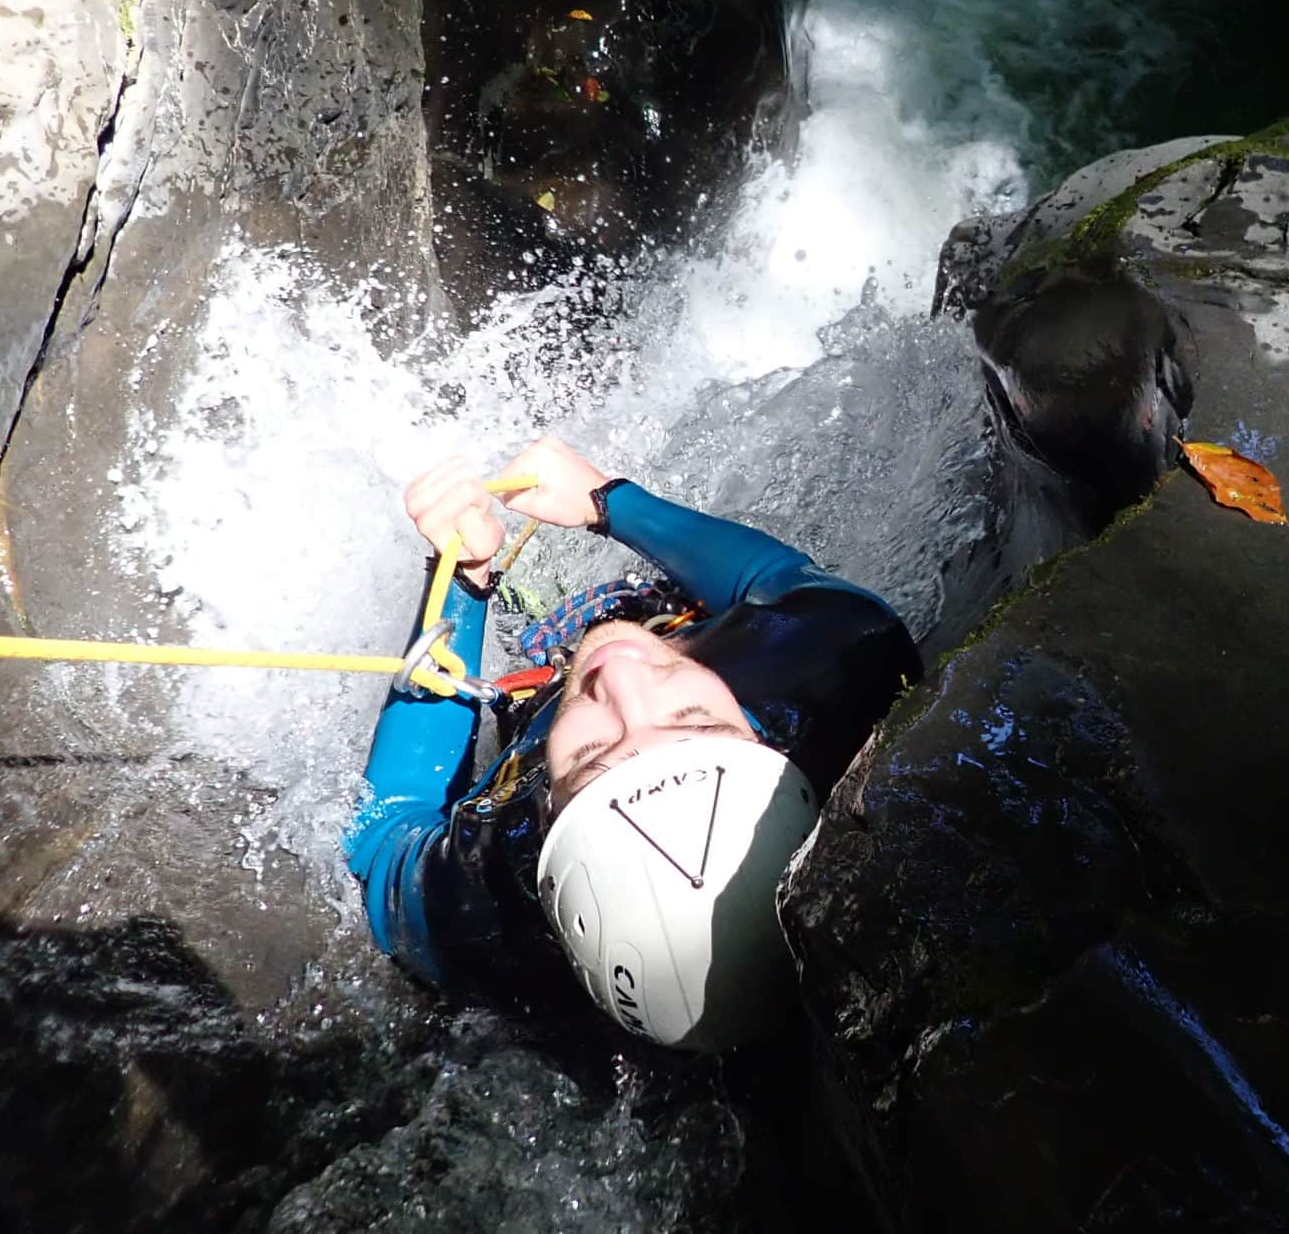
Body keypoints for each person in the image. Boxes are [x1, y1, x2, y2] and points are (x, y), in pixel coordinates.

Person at [345, 437, 921, 1051]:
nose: (621, 677)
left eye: (593, 761)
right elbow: (776, 581)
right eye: (698, 723)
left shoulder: (478, 904)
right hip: (697, 633)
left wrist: (463, 580)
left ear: (546, 813)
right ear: (762, 744)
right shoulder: (840, 666)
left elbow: (388, 828)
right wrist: (607, 500)